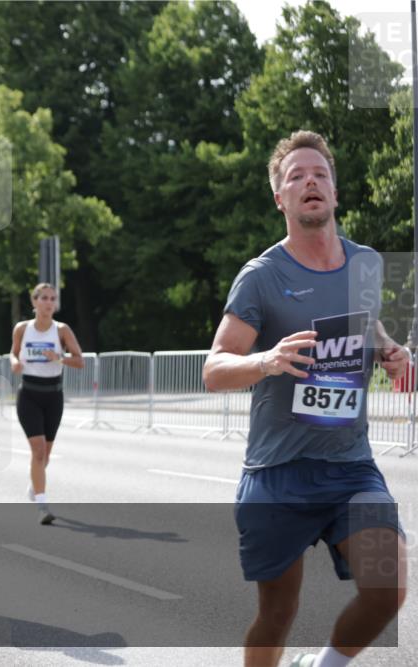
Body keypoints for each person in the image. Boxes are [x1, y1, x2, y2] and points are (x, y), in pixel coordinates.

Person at [202, 131, 409, 667]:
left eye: (320, 174)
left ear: (335, 192)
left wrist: (391, 353)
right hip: (278, 471)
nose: (309, 182)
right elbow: (214, 369)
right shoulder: (262, 277)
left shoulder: (365, 264)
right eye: (296, 176)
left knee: (387, 587)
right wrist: (266, 361)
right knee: (277, 613)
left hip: (350, 466)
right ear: (281, 198)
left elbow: (368, 327)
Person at [10, 283, 84, 525]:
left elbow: (80, 361)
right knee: (38, 450)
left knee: (46, 454)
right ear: (34, 302)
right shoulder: (23, 328)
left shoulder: (61, 330)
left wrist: (59, 357)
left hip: (53, 395)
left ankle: (35, 484)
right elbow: (13, 352)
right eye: (44, 298)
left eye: (53, 298)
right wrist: (14, 363)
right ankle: (42, 506)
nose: (49, 303)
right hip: (29, 394)